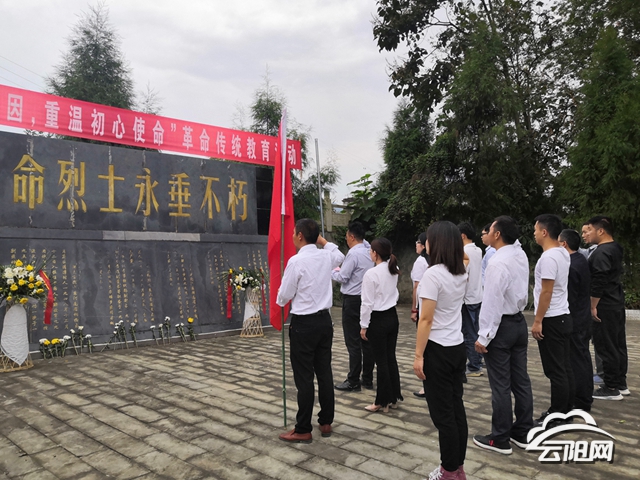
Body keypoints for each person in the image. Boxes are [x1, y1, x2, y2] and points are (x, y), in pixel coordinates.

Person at [276, 218, 345, 443]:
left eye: (294, 232)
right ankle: (326, 421)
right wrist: (322, 240)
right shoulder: (325, 256)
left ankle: (303, 428)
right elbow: (339, 255)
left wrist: (279, 300)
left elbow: (285, 295)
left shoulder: (296, 261)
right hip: (324, 322)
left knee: (304, 377)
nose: (292, 236)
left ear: (299, 235)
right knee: (324, 372)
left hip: (304, 324)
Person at [473, 216, 534, 455]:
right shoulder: (519, 255)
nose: (486, 233)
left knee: (500, 385)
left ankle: (499, 438)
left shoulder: (497, 262)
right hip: (518, 322)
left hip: (501, 327)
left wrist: (484, 336)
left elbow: (492, 302)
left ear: (497, 234)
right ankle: (523, 431)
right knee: (521, 381)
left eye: (490, 229)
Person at [413, 221, 469, 480]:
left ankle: (448, 471)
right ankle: (457, 468)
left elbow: (426, 319)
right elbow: (466, 257)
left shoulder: (432, 275)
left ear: (437, 243)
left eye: (429, 239)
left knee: (443, 415)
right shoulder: (461, 272)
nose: (426, 243)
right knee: (456, 410)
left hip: (437, 349)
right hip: (456, 346)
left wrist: (418, 355)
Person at [531, 214, 573, 424]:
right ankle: (566, 410)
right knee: (564, 367)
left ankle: (557, 414)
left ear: (545, 232)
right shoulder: (563, 252)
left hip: (552, 319)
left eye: (536, 230)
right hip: (562, 315)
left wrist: (538, 320)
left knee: (555, 370)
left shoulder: (548, 258)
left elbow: (546, 291)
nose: (534, 234)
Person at [584, 216, 629, 400]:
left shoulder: (602, 252)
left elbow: (599, 281)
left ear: (600, 231)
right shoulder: (615, 247)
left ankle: (610, 388)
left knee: (606, 345)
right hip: (615, 301)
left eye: (589, 230)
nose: (586, 234)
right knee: (618, 344)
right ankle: (620, 383)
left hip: (605, 304)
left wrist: (593, 305)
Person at [359, 238, 402, 413]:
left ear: (375, 253)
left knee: (381, 361)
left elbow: (367, 303)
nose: (370, 253)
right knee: (390, 358)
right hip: (392, 316)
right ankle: (393, 397)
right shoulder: (393, 269)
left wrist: (363, 325)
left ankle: (382, 401)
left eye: (371, 250)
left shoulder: (372, 274)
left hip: (378, 319)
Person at [332, 221, 375, 392]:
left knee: (353, 342)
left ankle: (353, 380)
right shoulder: (369, 251)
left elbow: (343, 277)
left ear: (351, 237)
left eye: (347, 236)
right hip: (367, 299)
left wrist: (332, 270)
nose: (346, 239)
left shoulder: (353, 254)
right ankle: (367, 378)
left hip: (352, 301)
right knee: (366, 340)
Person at [559, 229, 594, 412]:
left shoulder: (571, 266)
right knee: (582, 357)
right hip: (583, 317)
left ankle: (581, 399)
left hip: (576, 319)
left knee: (577, 360)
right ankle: (583, 396)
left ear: (564, 244)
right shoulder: (580, 260)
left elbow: (570, 298)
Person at [458, 222, 484, 377]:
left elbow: (462, 274)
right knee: (477, 330)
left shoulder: (463, 251)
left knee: (468, 333)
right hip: (477, 295)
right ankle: (478, 359)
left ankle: (474, 365)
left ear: (462, 236)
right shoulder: (478, 250)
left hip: (467, 298)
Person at [411, 232, 429, 399]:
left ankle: (426, 385)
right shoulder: (433, 261)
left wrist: (414, 309)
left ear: (424, 245)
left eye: (418, 242)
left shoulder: (420, 262)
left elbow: (416, 287)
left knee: (424, 346)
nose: (416, 245)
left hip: (423, 306)